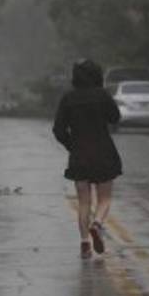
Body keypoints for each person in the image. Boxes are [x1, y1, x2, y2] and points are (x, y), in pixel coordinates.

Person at [52, 58, 122, 258]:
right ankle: (98, 224)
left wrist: (71, 145)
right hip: (104, 154)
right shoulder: (102, 95)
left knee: (83, 202)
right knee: (105, 197)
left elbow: (58, 130)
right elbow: (115, 118)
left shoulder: (68, 98)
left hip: (79, 156)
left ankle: (84, 243)